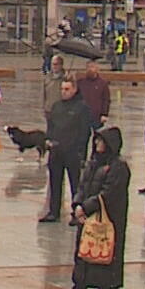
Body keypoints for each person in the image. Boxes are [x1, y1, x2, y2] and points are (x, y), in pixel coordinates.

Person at [52, 127, 131, 289]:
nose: (97, 144)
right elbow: (83, 186)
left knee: (105, 259)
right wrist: (77, 205)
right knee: (84, 256)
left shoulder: (118, 167)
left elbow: (109, 194)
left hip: (108, 221)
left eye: (100, 141)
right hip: (88, 219)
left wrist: (86, 207)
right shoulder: (93, 163)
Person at [42, 77, 93, 223]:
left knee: (76, 184)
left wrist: (80, 150)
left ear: (74, 89)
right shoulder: (56, 106)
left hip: (72, 152)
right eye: (62, 89)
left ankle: (76, 213)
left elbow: (85, 131)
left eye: (67, 89)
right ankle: (53, 211)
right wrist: (48, 140)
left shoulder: (82, 107)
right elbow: (51, 126)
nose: (63, 92)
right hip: (56, 151)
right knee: (55, 182)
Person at [76, 59, 111, 128]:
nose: (90, 69)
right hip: (82, 116)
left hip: (97, 117)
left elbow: (106, 100)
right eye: (88, 67)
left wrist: (104, 114)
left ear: (97, 69)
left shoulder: (103, 83)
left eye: (92, 67)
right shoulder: (80, 83)